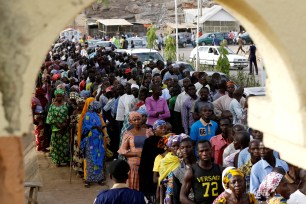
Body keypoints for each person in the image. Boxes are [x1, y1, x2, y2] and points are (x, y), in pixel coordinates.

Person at [118, 111, 154, 190]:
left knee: (146, 186)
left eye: (139, 119)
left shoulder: (148, 132)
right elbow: (122, 151)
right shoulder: (128, 134)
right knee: (134, 187)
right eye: (134, 120)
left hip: (147, 164)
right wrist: (136, 154)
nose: (137, 122)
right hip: (134, 166)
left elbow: (153, 146)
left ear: (142, 120)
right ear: (131, 121)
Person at [80, 99, 108, 188]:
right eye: (99, 108)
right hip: (90, 141)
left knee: (99, 157)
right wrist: (96, 127)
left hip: (98, 140)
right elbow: (86, 126)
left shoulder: (97, 115)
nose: (100, 110)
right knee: (90, 160)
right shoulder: (87, 115)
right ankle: (88, 179)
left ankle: (99, 178)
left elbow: (101, 126)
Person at [139, 120, 168, 203]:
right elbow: (150, 157)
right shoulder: (149, 141)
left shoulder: (167, 140)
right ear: (155, 130)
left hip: (162, 171)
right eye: (161, 128)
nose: (163, 130)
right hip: (149, 171)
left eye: (165, 128)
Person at [46, 89, 70, 166]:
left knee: (65, 145)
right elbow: (50, 117)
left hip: (65, 128)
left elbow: (68, 116)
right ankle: (57, 161)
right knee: (56, 146)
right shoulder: (52, 106)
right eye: (57, 96)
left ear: (63, 96)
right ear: (55, 96)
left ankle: (65, 160)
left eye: (60, 96)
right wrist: (58, 125)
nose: (59, 97)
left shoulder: (66, 105)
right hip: (55, 129)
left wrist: (64, 125)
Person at [173, 138, 197, 204]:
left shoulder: (202, 164)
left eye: (188, 147)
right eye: (182, 148)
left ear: (193, 147)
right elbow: (176, 196)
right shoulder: (177, 171)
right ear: (179, 149)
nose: (185, 150)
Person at [70, 96, 85, 177]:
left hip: (85, 135)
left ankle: (84, 169)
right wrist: (71, 124)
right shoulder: (75, 112)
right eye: (79, 103)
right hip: (77, 135)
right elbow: (71, 123)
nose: (81, 105)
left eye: (83, 103)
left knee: (83, 152)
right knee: (77, 151)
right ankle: (78, 170)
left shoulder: (86, 112)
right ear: (77, 104)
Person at [32, 87, 49, 152]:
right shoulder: (34, 100)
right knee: (39, 132)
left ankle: (41, 146)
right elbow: (32, 110)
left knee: (42, 132)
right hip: (38, 118)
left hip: (43, 117)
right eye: (41, 92)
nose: (43, 93)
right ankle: (40, 146)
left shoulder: (44, 99)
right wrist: (33, 119)